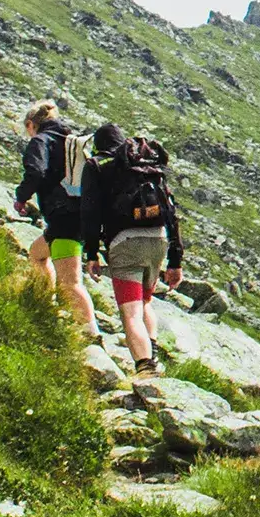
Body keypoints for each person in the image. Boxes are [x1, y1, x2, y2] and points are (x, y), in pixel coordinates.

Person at [81, 121, 182, 378]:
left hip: (125, 245)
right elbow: (171, 211)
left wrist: (92, 253)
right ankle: (153, 349)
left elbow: (90, 212)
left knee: (131, 311)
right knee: (145, 300)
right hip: (158, 239)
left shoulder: (96, 167)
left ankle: (146, 368)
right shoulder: (146, 166)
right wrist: (175, 261)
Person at [11, 100, 94, 331]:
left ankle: (91, 333)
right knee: (37, 254)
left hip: (64, 217)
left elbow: (36, 171)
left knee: (71, 282)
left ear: (31, 124)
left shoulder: (40, 141)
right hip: (79, 215)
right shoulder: (70, 142)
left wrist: (21, 197)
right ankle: (45, 303)